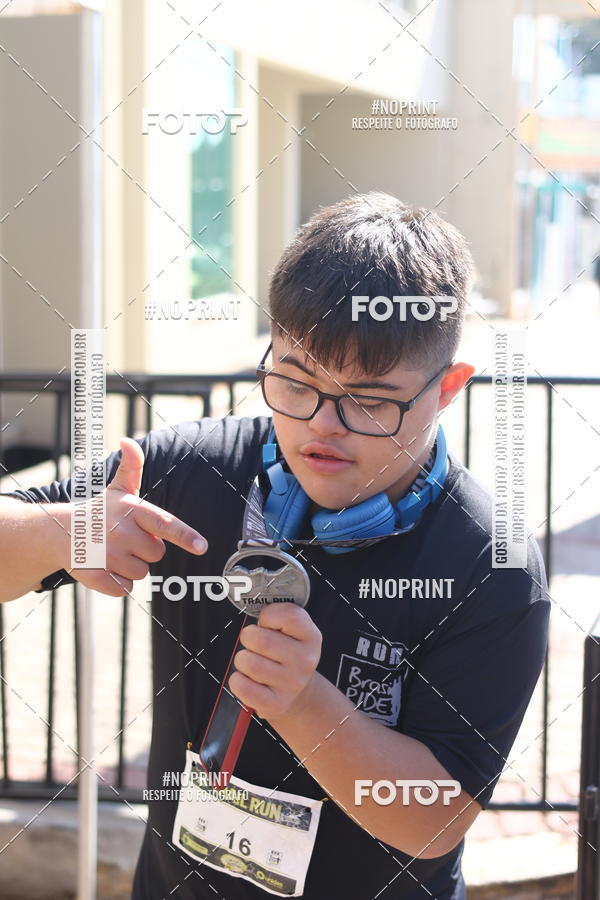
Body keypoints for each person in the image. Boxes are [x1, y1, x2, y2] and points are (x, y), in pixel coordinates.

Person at [0, 191, 550, 899]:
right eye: (294, 381)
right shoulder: (189, 471)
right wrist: (62, 531)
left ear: (448, 389)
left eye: (369, 401)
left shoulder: (490, 563)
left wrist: (302, 704)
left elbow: (436, 821)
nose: (323, 425)